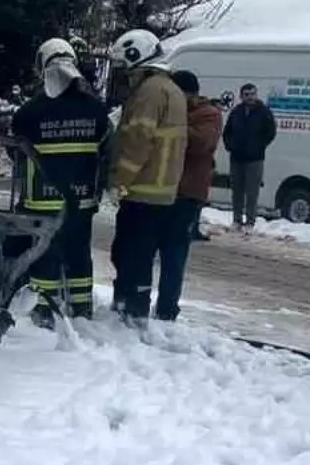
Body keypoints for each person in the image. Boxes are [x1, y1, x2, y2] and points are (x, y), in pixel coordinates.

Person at [13, 37, 111, 324]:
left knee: (45, 255)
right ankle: (81, 309)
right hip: (82, 201)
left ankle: (44, 309)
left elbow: (15, 152)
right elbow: (106, 150)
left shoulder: (29, 112)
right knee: (79, 253)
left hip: (42, 200)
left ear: (43, 67)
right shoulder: (96, 110)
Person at [107, 29, 188, 321]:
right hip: (163, 192)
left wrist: (119, 182)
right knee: (140, 256)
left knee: (130, 255)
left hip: (143, 191)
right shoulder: (171, 89)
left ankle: (130, 309)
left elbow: (137, 142)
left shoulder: (149, 92)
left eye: (122, 68)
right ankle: (134, 306)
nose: (122, 76)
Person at [154, 70, 222, 322]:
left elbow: (199, 144)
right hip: (163, 190)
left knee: (174, 255)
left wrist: (171, 124)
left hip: (186, 193)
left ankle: (167, 309)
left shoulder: (208, 114)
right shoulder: (179, 111)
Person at [222, 82, 277, 229]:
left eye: (252, 94)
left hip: (255, 159)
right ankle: (237, 219)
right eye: (247, 95)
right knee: (237, 191)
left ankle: (250, 221)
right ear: (241, 96)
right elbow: (227, 132)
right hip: (236, 158)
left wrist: (259, 146)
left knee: (252, 192)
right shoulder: (236, 112)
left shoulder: (264, 112)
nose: (250, 97)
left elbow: (270, 132)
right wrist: (230, 146)